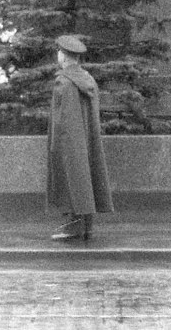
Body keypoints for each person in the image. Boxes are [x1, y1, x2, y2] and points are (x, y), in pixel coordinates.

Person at [47, 35, 114, 241]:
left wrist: (55, 144)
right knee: (86, 175)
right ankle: (86, 225)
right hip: (87, 138)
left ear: (64, 56)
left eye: (59, 52)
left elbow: (62, 118)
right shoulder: (88, 80)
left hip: (69, 140)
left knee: (71, 177)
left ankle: (73, 227)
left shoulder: (64, 82)